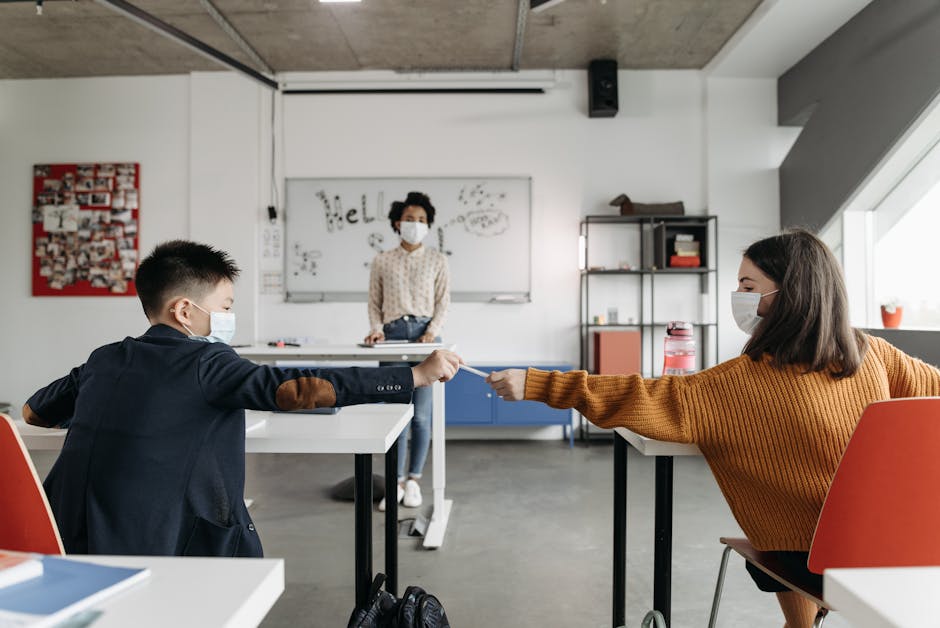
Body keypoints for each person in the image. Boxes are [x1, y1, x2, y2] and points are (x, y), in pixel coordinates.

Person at [487, 228, 940, 628]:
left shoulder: (737, 385)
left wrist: (538, 383)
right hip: (907, 553)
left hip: (814, 564)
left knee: (787, 520)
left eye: (748, 285)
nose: (738, 296)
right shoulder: (872, 353)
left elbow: (640, 397)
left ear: (789, 296)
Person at [23, 240, 461, 558]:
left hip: (63, 536)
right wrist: (414, 375)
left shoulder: (104, 358)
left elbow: (33, 411)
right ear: (183, 310)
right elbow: (296, 388)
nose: (230, 317)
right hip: (156, 545)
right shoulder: (207, 362)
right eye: (225, 305)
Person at [363, 191, 450, 511]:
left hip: (426, 336)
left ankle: (413, 480)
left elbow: (443, 302)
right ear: (398, 223)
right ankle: (394, 483)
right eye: (410, 219)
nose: (416, 225)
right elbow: (374, 301)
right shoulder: (382, 259)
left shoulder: (438, 260)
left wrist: (431, 332)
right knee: (396, 412)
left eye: (422, 220)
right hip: (393, 335)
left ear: (428, 225)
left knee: (422, 416)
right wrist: (376, 329)